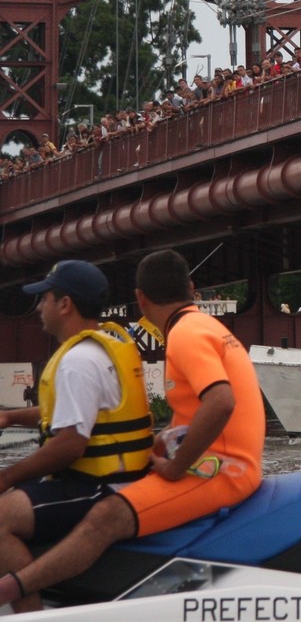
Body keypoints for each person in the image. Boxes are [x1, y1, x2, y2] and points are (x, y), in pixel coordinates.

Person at [0, 250, 265, 611]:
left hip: (224, 470)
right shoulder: (201, 326)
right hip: (227, 461)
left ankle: (13, 590)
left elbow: (220, 402)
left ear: (140, 298)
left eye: (44, 299)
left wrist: (174, 466)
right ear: (191, 288)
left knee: (106, 517)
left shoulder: (186, 333)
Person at [0, 261, 152, 613]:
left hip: (98, 487)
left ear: (65, 304)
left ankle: (28, 615)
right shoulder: (102, 350)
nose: (39, 307)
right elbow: (75, 411)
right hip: (120, 478)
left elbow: (70, 445)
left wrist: (6, 476)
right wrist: (10, 417)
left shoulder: (77, 361)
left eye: (44, 299)